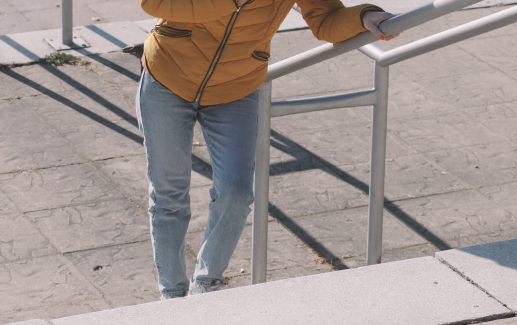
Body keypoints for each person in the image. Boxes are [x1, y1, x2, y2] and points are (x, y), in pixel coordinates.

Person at [136, 0, 400, 300]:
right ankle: (171, 295)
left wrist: (364, 16)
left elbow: (325, 19)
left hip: (236, 87)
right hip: (167, 76)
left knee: (236, 193)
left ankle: (206, 285)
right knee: (169, 194)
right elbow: (154, 3)